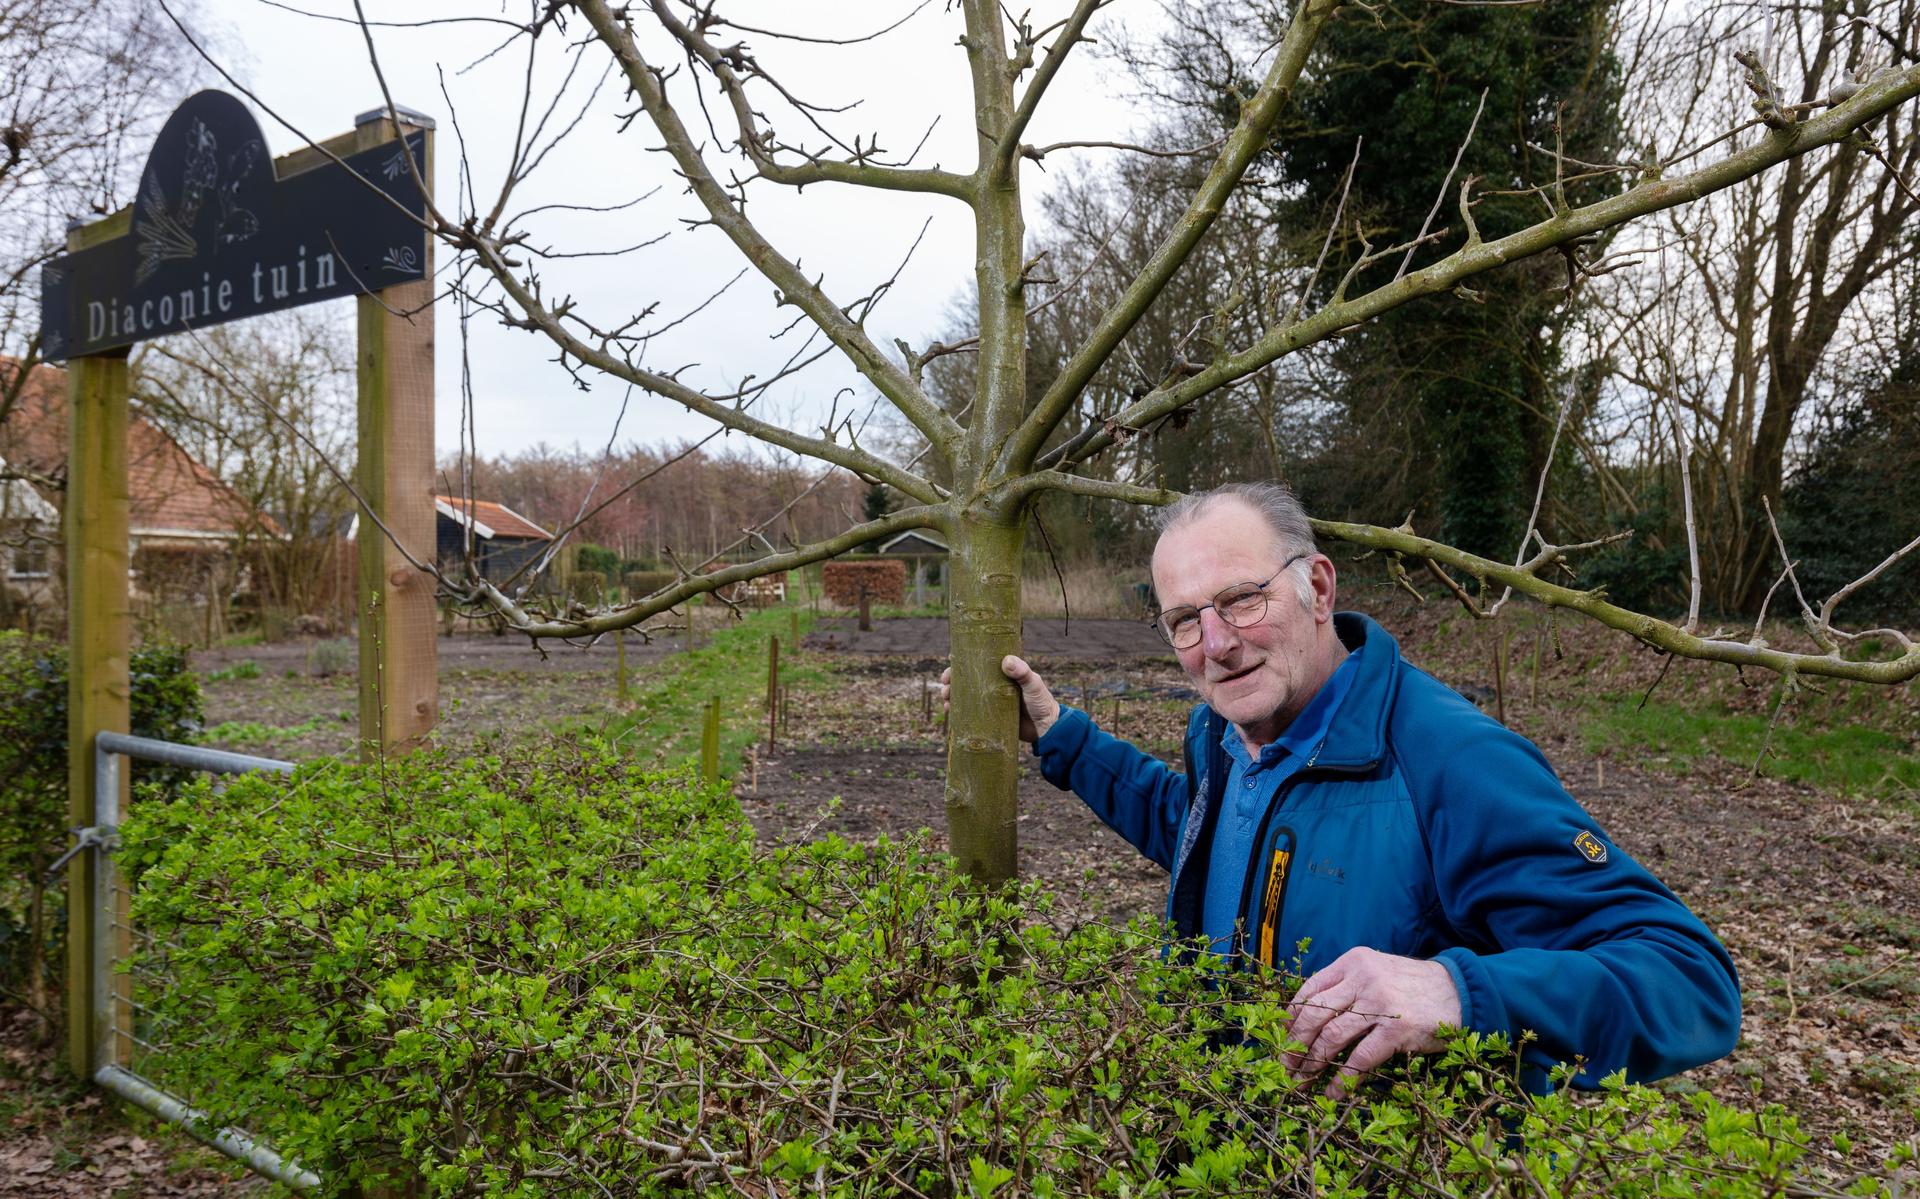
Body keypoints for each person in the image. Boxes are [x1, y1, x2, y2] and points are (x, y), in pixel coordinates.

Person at [983, 482, 1739, 1097]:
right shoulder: (1220, 733)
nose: (1216, 644)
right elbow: (1201, 828)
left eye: (1243, 598)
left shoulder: (1448, 758)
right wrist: (1060, 735)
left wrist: (1460, 992)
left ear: (1316, 585)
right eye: (1185, 620)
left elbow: (1690, 979)